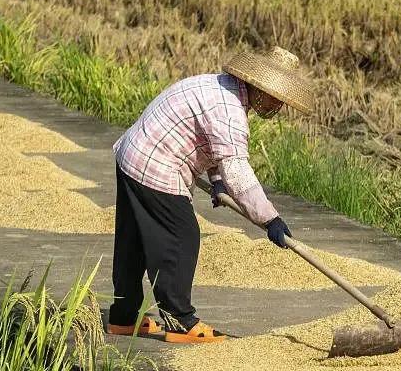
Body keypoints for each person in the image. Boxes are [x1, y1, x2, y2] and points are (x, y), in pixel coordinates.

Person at [106, 47, 315, 344]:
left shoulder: (219, 87)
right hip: (155, 163)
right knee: (181, 236)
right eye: (272, 96)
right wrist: (271, 219)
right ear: (256, 86)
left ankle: (124, 318)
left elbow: (213, 147)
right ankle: (180, 320)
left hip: (133, 154)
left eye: (279, 100)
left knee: (134, 240)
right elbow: (238, 172)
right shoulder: (229, 110)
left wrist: (217, 182)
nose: (275, 104)